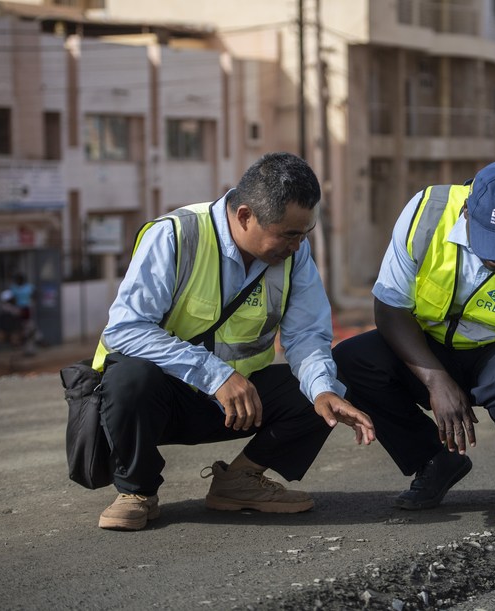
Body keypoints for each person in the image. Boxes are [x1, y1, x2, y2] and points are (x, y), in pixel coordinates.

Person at [91, 152, 375, 531]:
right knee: (128, 378)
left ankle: (240, 480)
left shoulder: (294, 254)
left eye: (303, 233)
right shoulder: (176, 235)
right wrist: (215, 375)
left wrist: (323, 390)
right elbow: (125, 330)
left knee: (327, 387)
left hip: (237, 406)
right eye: (288, 234)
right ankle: (137, 491)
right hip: (160, 403)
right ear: (244, 216)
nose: (297, 245)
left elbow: (306, 335)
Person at [332, 160, 495, 529]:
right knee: (349, 360)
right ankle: (435, 460)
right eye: (491, 240)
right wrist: (436, 381)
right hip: (429, 347)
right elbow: (389, 308)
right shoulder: (426, 215)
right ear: (466, 212)